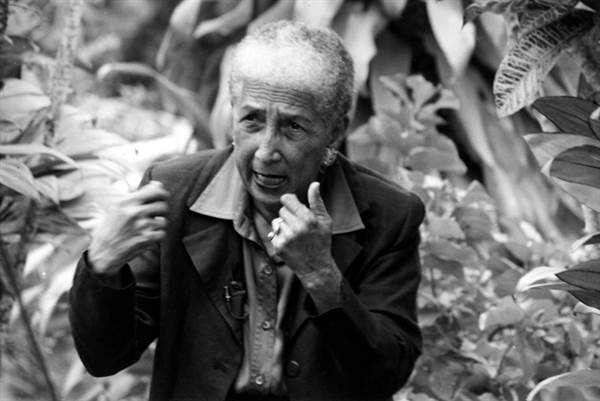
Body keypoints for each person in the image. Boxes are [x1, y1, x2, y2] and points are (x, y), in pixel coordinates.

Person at [69, 21, 425, 401]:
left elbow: (387, 373)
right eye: (252, 120)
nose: (266, 151)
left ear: (336, 131)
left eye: (293, 127)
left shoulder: (388, 216)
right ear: (232, 114)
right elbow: (104, 358)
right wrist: (102, 266)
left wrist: (321, 275)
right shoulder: (173, 193)